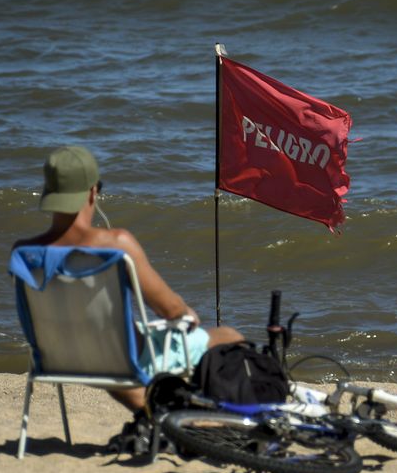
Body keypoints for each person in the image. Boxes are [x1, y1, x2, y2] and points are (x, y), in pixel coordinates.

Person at [13, 145, 244, 412]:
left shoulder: (23, 254)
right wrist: (186, 312)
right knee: (228, 337)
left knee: (119, 350)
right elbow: (170, 309)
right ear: (93, 192)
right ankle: (211, 422)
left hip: (58, 361)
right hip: (124, 361)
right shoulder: (117, 244)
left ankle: (166, 413)